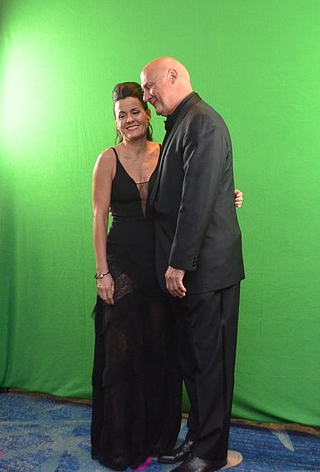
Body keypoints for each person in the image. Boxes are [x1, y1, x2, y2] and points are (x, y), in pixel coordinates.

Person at [90, 82, 242, 471]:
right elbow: (97, 218)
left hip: (161, 260)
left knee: (163, 353)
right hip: (123, 262)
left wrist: (228, 193)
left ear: (147, 113)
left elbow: (194, 188)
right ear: (115, 121)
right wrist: (102, 272)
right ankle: (123, 442)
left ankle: (160, 438)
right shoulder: (106, 159)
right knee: (122, 352)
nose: (129, 119)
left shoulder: (167, 148)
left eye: (135, 111)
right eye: (121, 114)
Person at [141, 57, 245, 472]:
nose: (147, 95)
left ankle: (210, 454)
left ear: (174, 77)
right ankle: (200, 441)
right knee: (195, 363)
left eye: (150, 87)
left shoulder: (201, 122)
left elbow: (196, 201)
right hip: (194, 272)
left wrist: (178, 264)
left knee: (211, 365)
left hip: (207, 272)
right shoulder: (183, 123)